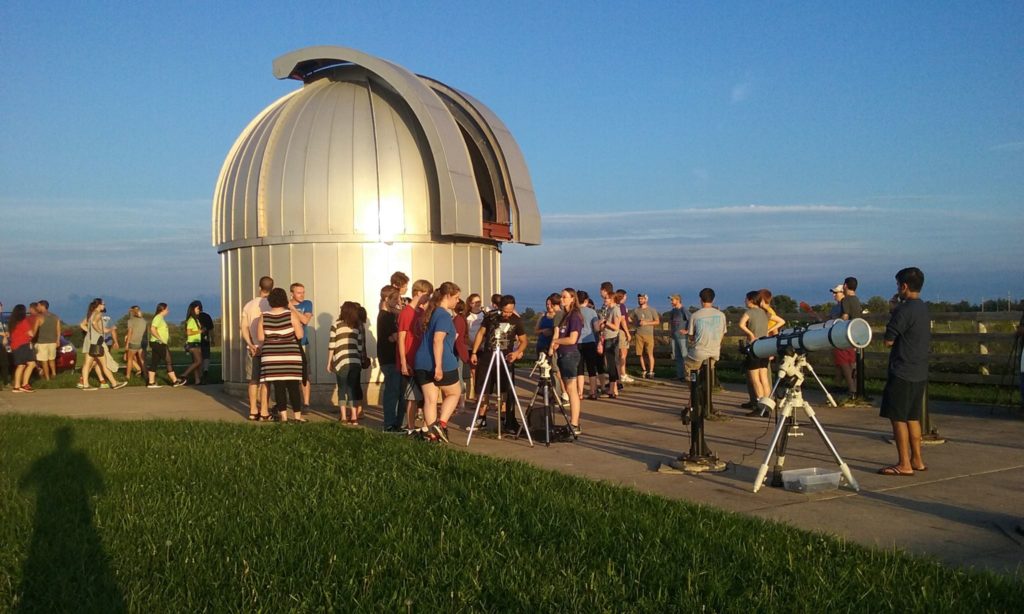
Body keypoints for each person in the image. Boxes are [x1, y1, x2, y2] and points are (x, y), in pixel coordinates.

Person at [878, 267, 930, 477]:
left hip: (902, 370)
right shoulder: (924, 308)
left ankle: (904, 463)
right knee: (913, 417)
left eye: (898, 285)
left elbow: (888, 341)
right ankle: (917, 460)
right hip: (919, 370)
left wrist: (894, 310)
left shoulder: (903, 310)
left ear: (904, 286)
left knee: (898, 417)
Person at [470, 294, 527, 430]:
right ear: (500, 308)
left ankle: (506, 417)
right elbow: (480, 334)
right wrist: (474, 352)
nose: (508, 314)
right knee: (484, 388)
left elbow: (524, 340)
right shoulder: (491, 317)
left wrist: (517, 352)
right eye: (506, 311)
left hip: (506, 357)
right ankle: (481, 418)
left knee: (505, 389)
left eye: (510, 311)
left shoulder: (516, 321)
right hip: (488, 355)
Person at [415, 282, 463, 442]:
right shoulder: (443, 315)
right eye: (456, 297)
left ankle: (432, 436)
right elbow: (438, 340)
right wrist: (438, 366)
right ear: (448, 296)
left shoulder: (432, 312)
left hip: (421, 362)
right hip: (441, 361)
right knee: (454, 392)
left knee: (430, 399)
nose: (457, 301)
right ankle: (441, 424)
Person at [260, 288, 306, 422]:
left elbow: (260, 337)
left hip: (271, 356)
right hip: (290, 355)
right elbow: (300, 335)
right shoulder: (290, 315)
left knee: (278, 387)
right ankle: (297, 416)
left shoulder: (264, 316)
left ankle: (284, 417)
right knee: (293, 387)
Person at [398, 279, 433, 431]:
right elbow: (401, 338)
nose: (428, 298)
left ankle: (426, 425)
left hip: (421, 359)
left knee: (426, 396)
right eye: (427, 295)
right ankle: (410, 426)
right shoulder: (406, 313)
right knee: (412, 396)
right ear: (418, 293)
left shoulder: (420, 312)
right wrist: (404, 362)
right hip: (410, 359)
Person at [686, 288, 727, 420]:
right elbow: (722, 334)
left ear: (700, 299)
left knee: (691, 376)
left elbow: (691, 336)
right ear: (713, 299)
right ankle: (707, 405)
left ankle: (694, 403)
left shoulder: (695, 315)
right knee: (707, 378)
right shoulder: (721, 315)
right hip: (714, 352)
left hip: (698, 352)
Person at [550, 288, 584, 435]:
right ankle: (573, 423)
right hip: (563, 355)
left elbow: (572, 339)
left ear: (572, 299)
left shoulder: (575, 316)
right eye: (561, 297)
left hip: (570, 354)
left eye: (565, 297)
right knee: (569, 389)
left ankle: (575, 423)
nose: (562, 299)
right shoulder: (565, 316)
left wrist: (556, 340)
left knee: (572, 390)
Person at [241, 276, 273, 419]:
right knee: (266, 380)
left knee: (253, 380)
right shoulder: (273, 305)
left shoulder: (249, 305)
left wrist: (250, 344)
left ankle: (253, 410)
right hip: (268, 348)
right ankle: (264, 411)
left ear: (259, 287)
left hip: (252, 348)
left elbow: (243, 327)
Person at [328, 301, 364, 424]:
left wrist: (329, 362)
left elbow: (332, 345)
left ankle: (343, 417)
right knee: (352, 388)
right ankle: (354, 417)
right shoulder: (356, 327)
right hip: (355, 361)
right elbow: (359, 347)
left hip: (341, 361)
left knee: (342, 388)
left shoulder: (336, 325)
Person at [738, 291, 771, 416]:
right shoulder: (764, 313)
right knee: (764, 378)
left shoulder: (749, 312)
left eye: (746, 299)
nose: (744, 301)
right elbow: (780, 320)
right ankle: (767, 405)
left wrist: (751, 334)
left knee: (755, 379)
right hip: (765, 346)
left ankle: (759, 405)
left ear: (751, 300)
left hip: (754, 347)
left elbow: (741, 324)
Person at [377, 286, 404, 432]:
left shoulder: (390, 315)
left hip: (392, 359)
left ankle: (397, 423)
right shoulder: (385, 317)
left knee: (399, 392)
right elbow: (395, 337)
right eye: (395, 299)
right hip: (389, 359)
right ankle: (389, 424)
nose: (398, 301)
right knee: (392, 392)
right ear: (387, 299)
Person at [838, 277, 863, 403]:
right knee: (853, 363)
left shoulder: (846, 300)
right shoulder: (857, 300)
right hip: (857, 334)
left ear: (845, 285)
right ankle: (857, 389)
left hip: (847, 335)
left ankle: (852, 390)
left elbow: (845, 316)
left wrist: (837, 326)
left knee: (845, 364)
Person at [147, 302, 183, 389]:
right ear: (162, 309)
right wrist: (160, 339)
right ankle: (175, 381)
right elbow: (152, 329)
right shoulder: (158, 318)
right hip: (159, 343)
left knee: (154, 362)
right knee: (168, 360)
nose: (168, 311)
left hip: (156, 343)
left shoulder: (160, 318)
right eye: (167, 309)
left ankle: (151, 382)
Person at [289, 283, 314, 411]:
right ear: (292, 293)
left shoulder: (307, 304)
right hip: (289, 344)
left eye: (303, 292)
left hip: (303, 343)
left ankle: (306, 403)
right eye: (299, 292)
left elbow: (305, 320)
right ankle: (295, 402)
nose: (302, 295)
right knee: (292, 374)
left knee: (305, 374)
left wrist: (292, 309)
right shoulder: (285, 305)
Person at [575, 290, 602, 401]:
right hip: (589, 341)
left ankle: (580, 393)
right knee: (591, 368)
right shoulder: (591, 312)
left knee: (579, 369)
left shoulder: (574, 312)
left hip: (577, 342)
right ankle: (593, 391)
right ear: (586, 300)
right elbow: (596, 328)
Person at [597, 288, 622, 399]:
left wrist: (605, 322)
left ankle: (613, 389)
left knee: (611, 365)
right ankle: (614, 389)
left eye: (607, 298)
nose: (605, 300)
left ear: (612, 299)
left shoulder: (615, 310)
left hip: (612, 339)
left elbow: (616, 327)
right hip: (607, 337)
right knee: (610, 364)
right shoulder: (609, 310)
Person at [9, 304, 40, 393]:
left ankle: (20, 385)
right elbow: (31, 334)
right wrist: (35, 327)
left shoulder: (13, 322)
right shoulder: (23, 321)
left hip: (16, 345)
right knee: (25, 364)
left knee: (27, 364)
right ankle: (20, 385)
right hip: (23, 345)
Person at [631, 293, 660, 378]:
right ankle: (644, 370)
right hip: (639, 334)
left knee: (650, 353)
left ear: (646, 300)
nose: (640, 300)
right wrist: (635, 323)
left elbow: (657, 321)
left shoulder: (652, 310)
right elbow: (629, 318)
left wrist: (647, 323)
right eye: (639, 299)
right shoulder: (636, 310)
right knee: (640, 354)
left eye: (642, 299)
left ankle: (651, 371)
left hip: (649, 334)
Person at [33, 300, 61, 381]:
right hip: (52, 342)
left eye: (38, 306)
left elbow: (34, 331)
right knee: (52, 359)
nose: (37, 307)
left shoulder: (39, 317)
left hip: (42, 342)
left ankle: (47, 378)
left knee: (44, 361)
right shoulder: (55, 317)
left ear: (42, 306)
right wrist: (58, 340)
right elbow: (58, 330)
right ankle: (54, 374)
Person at [464, 293, 485, 399]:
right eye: (475, 302)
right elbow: (465, 334)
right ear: (470, 303)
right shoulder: (466, 316)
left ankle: (483, 398)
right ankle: (477, 397)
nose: (477, 304)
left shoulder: (484, 315)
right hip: (470, 347)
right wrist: (473, 345)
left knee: (482, 372)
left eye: (479, 302)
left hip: (482, 347)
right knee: (474, 372)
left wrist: (480, 344)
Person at [180, 301, 205, 385]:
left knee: (196, 362)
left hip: (197, 343)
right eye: (198, 308)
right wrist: (199, 331)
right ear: (193, 309)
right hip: (192, 344)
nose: (199, 310)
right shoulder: (191, 320)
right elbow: (189, 332)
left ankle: (197, 380)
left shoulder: (196, 320)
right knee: (198, 361)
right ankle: (184, 374)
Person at [667, 294, 690, 382]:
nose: (671, 302)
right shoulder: (673, 311)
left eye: (672, 300)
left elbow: (691, 319)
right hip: (674, 336)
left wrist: (687, 330)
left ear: (677, 300)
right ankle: (680, 375)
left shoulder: (683, 310)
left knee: (685, 355)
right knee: (677, 356)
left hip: (682, 337)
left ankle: (687, 375)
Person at [124, 305, 148, 381]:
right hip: (141, 342)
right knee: (142, 360)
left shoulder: (130, 321)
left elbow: (130, 332)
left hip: (133, 342)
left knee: (129, 359)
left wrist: (127, 344)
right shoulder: (144, 321)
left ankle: (127, 376)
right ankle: (146, 375)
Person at [615, 289, 633, 384]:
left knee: (618, 354)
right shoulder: (621, 306)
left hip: (615, 332)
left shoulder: (615, 306)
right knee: (623, 354)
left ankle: (619, 373)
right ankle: (622, 374)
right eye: (625, 296)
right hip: (621, 331)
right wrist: (627, 332)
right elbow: (622, 320)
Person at [197, 302, 214, 384]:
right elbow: (211, 328)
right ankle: (206, 370)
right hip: (206, 338)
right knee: (206, 356)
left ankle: (199, 376)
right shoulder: (207, 316)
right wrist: (211, 338)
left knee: (198, 357)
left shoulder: (194, 317)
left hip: (196, 339)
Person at [0, 301, 11, 391]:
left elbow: (7, 329)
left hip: (4, 344)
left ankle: (6, 382)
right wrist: (3, 335)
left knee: (4, 363)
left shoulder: (3, 318)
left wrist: (7, 334)